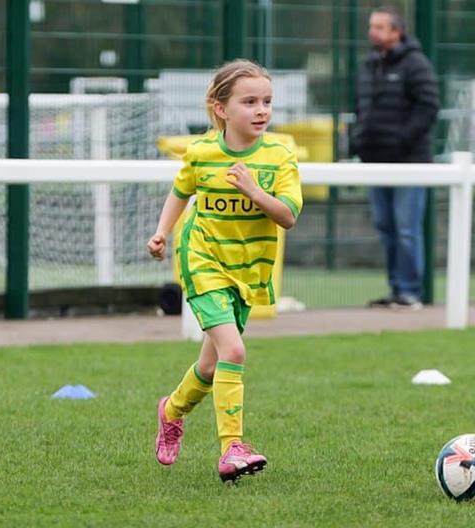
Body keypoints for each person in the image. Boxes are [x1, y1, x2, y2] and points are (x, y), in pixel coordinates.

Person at [146, 59, 302, 482]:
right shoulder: (201, 152)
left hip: (247, 273)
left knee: (213, 367)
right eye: (249, 101)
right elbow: (181, 192)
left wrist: (253, 190)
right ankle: (232, 447)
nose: (261, 110)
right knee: (234, 352)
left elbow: (287, 216)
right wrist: (162, 233)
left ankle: (172, 410)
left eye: (267, 101)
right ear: (220, 108)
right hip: (202, 261)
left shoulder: (279, 157)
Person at [353, 6, 440, 310]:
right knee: (386, 228)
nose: (372, 32)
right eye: (371, 26)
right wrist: (359, 141)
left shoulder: (415, 64)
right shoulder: (368, 66)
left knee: (406, 229)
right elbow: (361, 109)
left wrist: (401, 140)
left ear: (396, 32)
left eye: (379, 27)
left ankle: (409, 292)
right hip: (375, 163)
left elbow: (428, 107)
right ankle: (396, 290)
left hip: (409, 164)